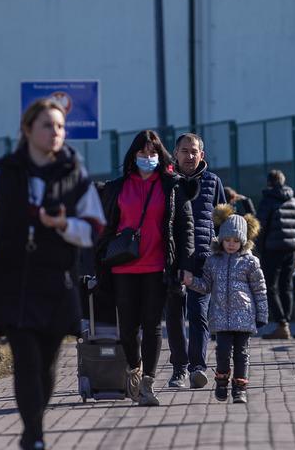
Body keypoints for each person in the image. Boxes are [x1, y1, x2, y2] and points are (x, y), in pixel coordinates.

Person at [0, 98, 105, 449]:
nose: (55, 132)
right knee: (25, 358)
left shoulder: (75, 174)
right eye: (47, 125)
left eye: (60, 126)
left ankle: (33, 427)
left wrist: (63, 224)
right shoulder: (1, 172)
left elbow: (94, 227)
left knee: (47, 362)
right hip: (11, 282)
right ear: (27, 130)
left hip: (56, 281)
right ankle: (35, 435)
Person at [96, 130, 195, 406]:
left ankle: (148, 383)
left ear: (160, 156)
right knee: (127, 327)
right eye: (143, 153)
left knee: (152, 325)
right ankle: (134, 367)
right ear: (133, 156)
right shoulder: (118, 187)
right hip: (123, 269)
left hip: (157, 267)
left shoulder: (171, 186)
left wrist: (186, 266)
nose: (148, 158)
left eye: (153, 153)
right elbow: (105, 227)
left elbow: (185, 228)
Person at [185, 204, 268, 404]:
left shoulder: (250, 262)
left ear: (244, 241)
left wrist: (262, 314)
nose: (231, 244)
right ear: (221, 240)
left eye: (236, 241)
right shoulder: (213, 261)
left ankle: (240, 389)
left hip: (244, 316)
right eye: (227, 240)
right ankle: (222, 382)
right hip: (221, 316)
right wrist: (190, 281)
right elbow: (205, 286)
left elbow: (260, 289)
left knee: (241, 354)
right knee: (222, 352)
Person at [167, 133, 225, 389]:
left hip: (202, 260)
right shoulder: (166, 182)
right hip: (171, 258)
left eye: (194, 151)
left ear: (202, 154)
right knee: (174, 317)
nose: (189, 156)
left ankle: (197, 368)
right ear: (175, 154)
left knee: (199, 314)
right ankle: (178, 369)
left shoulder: (213, 182)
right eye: (184, 151)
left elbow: (225, 221)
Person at [256, 170, 295, 339]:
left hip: (272, 250)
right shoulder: (294, 200)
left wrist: (260, 250)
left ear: (269, 183)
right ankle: (286, 323)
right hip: (291, 249)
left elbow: (260, 228)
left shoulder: (267, 200)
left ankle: (281, 323)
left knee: (271, 286)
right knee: (286, 286)